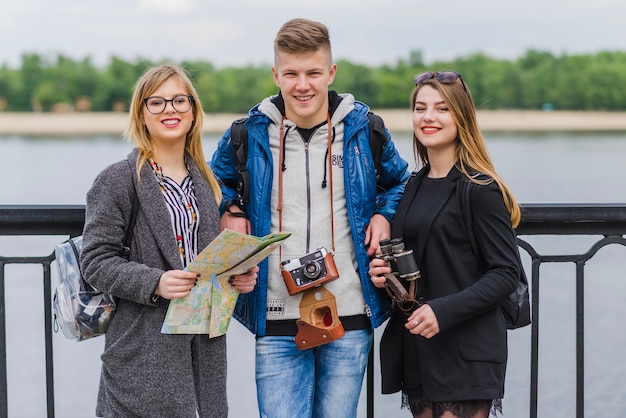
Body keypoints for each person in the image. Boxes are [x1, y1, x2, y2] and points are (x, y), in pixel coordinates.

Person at [210, 18, 410, 418]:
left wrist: (384, 215)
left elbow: (402, 181)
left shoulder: (364, 129)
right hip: (274, 313)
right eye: (292, 74)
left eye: (313, 73)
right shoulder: (246, 133)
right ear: (276, 74)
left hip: (350, 313)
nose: (303, 84)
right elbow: (214, 181)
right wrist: (230, 209)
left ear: (331, 72)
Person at [80, 63, 258, 418]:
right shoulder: (117, 180)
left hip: (204, 354)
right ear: (141, 114)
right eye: (156, 102)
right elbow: (95, 262)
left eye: (180, 100)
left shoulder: (208, 182)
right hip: (143, 352)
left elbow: (205, 261)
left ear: (193, 111)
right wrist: (155, 282)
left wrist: (237, 277)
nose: (170, 110)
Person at [368, 71, 522, 418]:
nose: (428, 117)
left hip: (466, 349)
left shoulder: (480, 188)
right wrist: (385, 275)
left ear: (461, 117)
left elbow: (505, 273)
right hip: (420, 348)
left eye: (441, 109)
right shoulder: (414, 185)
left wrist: (442, 311)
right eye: (420, 108)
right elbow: (422, 261)